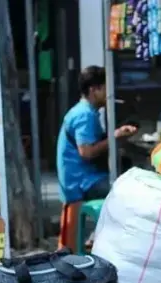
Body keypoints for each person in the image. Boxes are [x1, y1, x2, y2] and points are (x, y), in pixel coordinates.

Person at [56, 65, 136, 251]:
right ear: (94, 90)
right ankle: (113, 244)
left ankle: (98, 237)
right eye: (105, 88)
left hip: (82, 176)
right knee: (125, 191)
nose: (109, 93)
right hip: (80, 181)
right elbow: (86, 152)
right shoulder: (84, 115)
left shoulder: (85, 111)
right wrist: (114, 137)